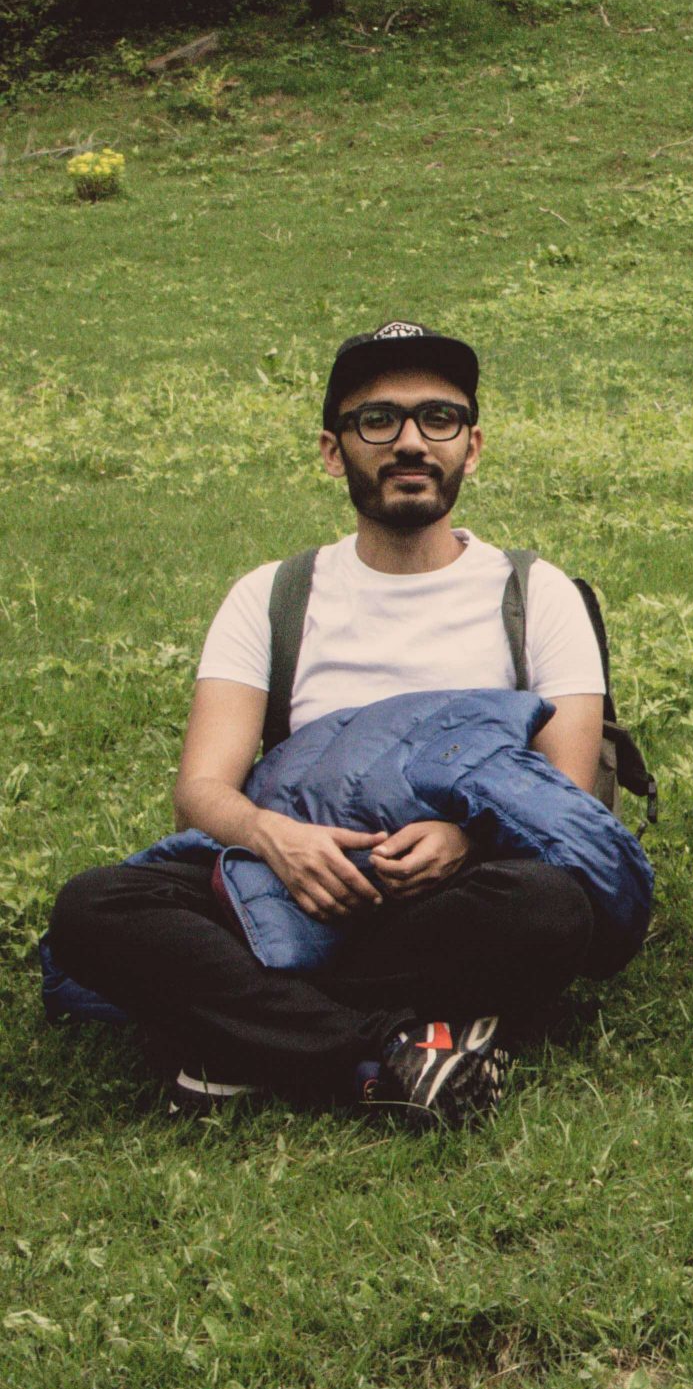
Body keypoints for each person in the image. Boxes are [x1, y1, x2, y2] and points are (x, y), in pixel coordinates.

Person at [44, 321, 635, 1125]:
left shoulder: (535, 594)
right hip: (293, 883)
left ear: (473, 446)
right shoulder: (273, 594)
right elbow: (200, 792)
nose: (410, 442)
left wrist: (464, 841)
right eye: (377, 420)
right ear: (333, 450)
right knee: (94, 907)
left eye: (439, 418)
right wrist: (278, 840)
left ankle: (236, 1034)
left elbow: (566, 797)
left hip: (451, 891)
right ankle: (388, 1050)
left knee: (547, 908)